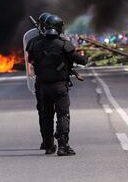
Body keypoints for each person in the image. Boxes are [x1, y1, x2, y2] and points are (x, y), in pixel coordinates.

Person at [28, 14, 88, 156]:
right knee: (63, 115)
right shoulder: (63, 44)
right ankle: (63, 146)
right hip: (59, 86)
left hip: (42, 87)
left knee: (45, 116)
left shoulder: (34, 44)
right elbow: (82, 60)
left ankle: (48, 145)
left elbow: (31, 61)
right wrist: (83, 57)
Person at [25, 12, 51, 150]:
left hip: (42, 83)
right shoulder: (63, 42)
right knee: (61, 113)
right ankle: (62, 143)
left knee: (44, 113)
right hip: (58, 83)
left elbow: (30, 64)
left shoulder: (33, 43)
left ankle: (47, 142)